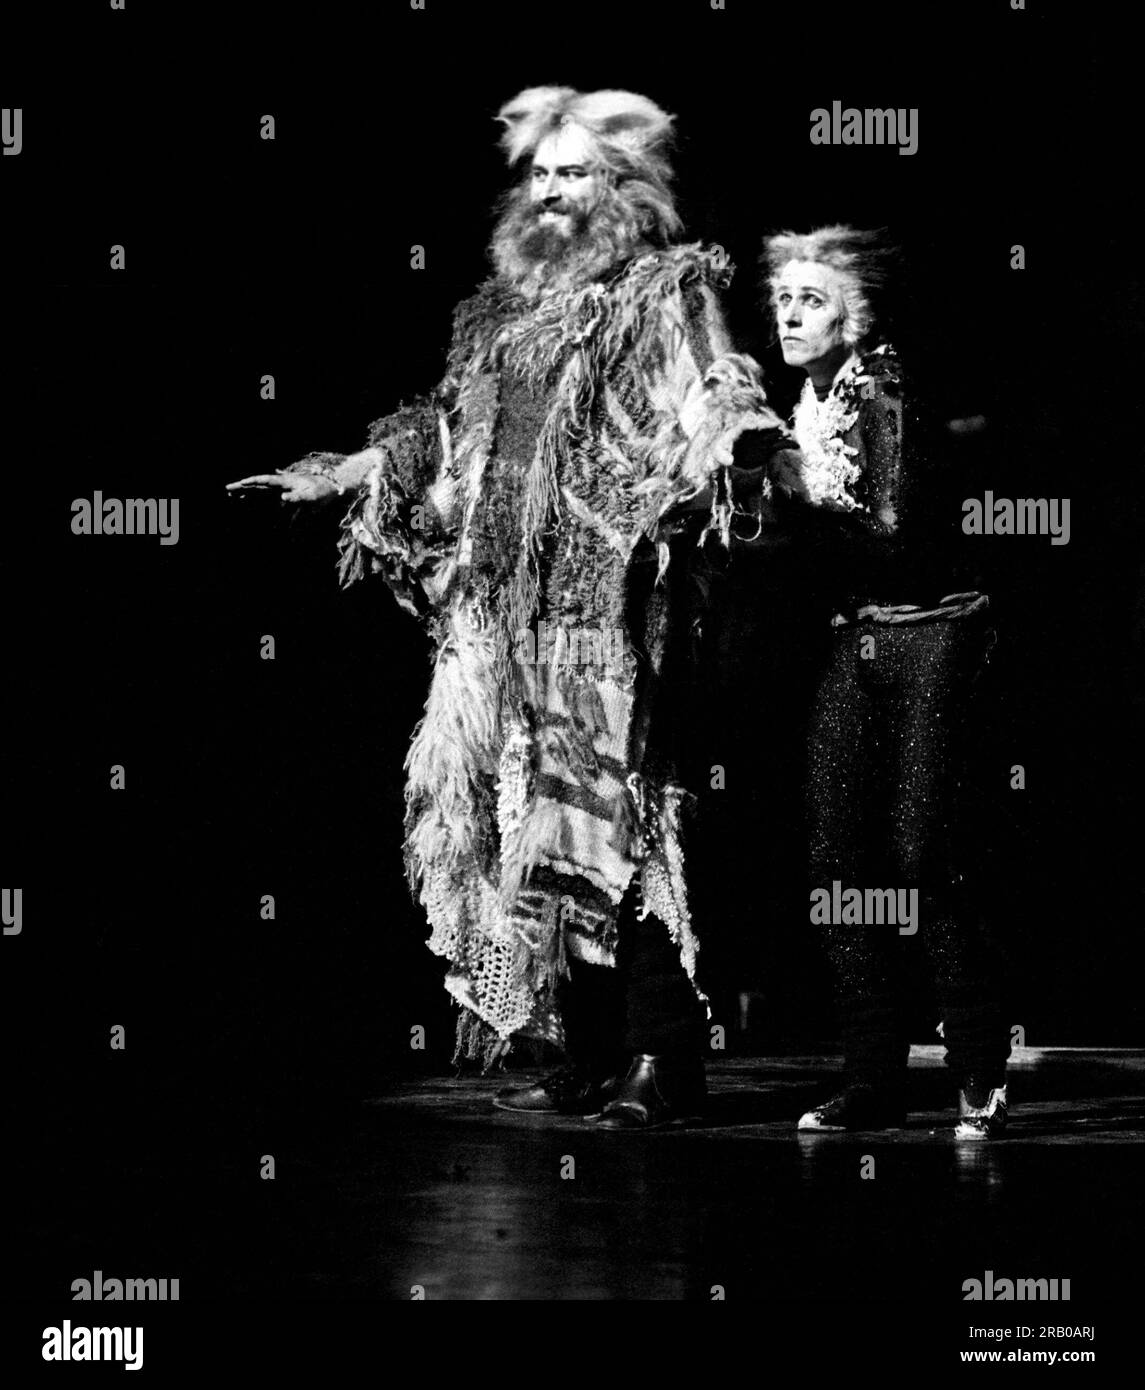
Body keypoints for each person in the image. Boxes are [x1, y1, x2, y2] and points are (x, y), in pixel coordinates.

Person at [228, 87, 789, 1129]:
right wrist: (348, 468)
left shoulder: (668, 289)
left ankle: (665, 1060)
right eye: (540, 172)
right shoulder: (495, 315)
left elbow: (718, 391)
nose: (552, 191)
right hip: (494, 609)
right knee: (497, 821)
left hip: (595, 601)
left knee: (616, 814)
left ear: (624, 183)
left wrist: (736, 443)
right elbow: (445, 434)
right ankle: (567, 1045)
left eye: (573, 172)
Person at [761, 226, 1011, 1139]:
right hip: (858, 635)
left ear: (853, 316)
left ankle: (977, 1067)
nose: (789, 314)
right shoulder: (803, 395)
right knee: (835, 863)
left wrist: (776, 487)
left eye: (812, 301)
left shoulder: (882, 387)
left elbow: (890, 527)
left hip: (934, 630)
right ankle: (870, 1075)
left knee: (919, 858)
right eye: (782, 298)